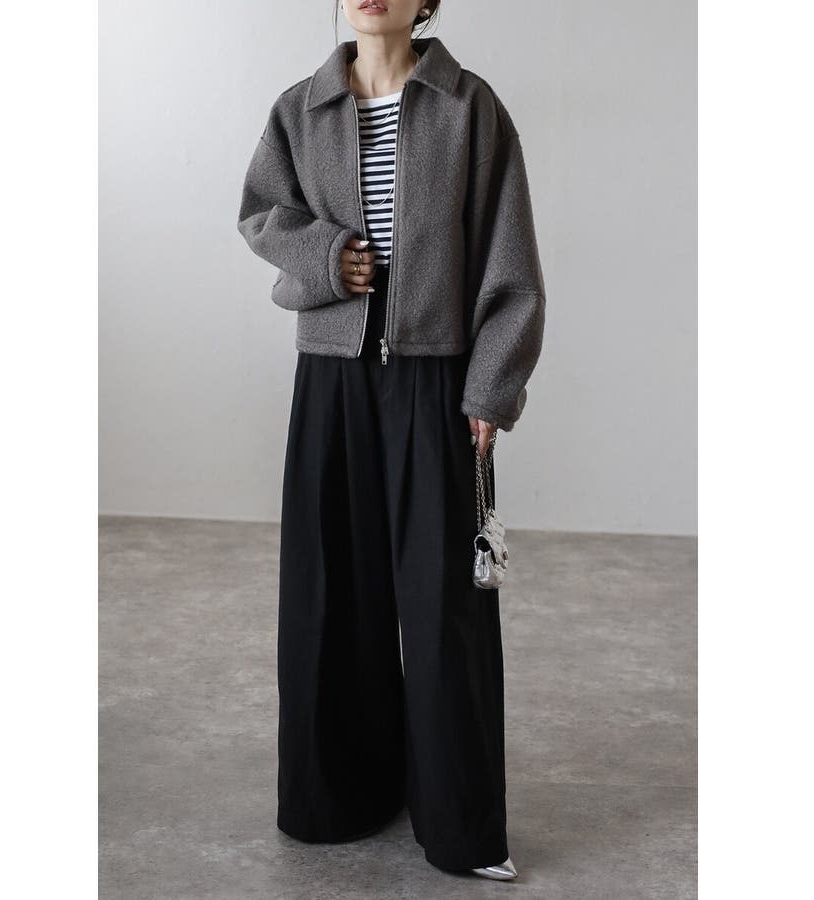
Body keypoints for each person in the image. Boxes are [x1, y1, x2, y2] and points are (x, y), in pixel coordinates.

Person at [237, 0, 546, 882]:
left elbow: (510, 261)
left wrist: (490, 386)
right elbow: (262, 215)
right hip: (331, 376)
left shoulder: (469, 107)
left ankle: (461, 825)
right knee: (330, 588)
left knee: (444, 602)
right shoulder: (301, 109)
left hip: (435, 379)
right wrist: (328, 257)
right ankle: (337, 795)